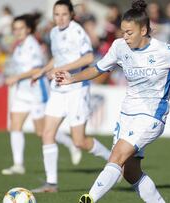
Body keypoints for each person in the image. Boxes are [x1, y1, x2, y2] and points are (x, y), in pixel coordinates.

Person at [55, 1, 170, 202]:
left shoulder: (164, 51)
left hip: (152, 115)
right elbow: (97, 68)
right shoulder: (119, 46)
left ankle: (89, 199)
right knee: (129, 171)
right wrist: (72, 78)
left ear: (143, 30)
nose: (125, 37)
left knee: (116, 156)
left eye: (129, 33)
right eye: (123, 32)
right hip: (127, 114)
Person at [31, 0, 111, 193]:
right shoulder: (53, 32)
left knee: (79, 141)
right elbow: (57, 58)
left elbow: (88, 58)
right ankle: (51, 184)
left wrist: (61, 69)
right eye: (56, 14)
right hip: (58, 89)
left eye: (64, 14)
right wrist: (42, 71)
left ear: (71, 15)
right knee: (47, 133)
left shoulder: (77, 31)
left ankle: (113, 160)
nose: (60, 18)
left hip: (76, 89)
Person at [2, 14, 82, 176]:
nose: (17, 31)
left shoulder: (32, 46)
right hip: (22, 92)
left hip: (37, 92)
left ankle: (71, 143)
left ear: (28, 29)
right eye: (15, 29)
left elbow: (38, 69)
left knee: (42, 132)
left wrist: (16, 77)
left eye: (21, 28)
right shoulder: (18, 47)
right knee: (15, 125)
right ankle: (18, 164)